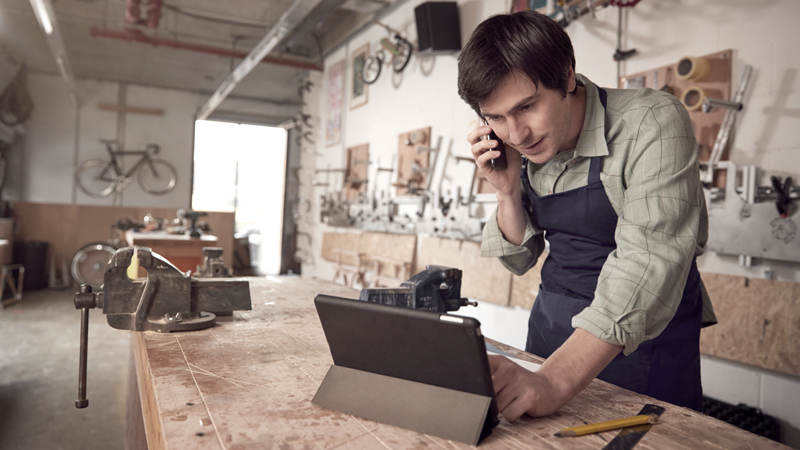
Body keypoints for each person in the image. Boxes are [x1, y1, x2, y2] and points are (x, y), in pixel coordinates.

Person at [457, 10, 717, 422]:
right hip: (551, 333)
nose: (517, 134)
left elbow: (648, 263)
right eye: (496, 118)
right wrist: (506, 189)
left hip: (641, 341)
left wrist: (553, 382)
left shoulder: (651, 122)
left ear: (567, 77)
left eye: (527, 107)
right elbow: (519, 260)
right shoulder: (522, 146)